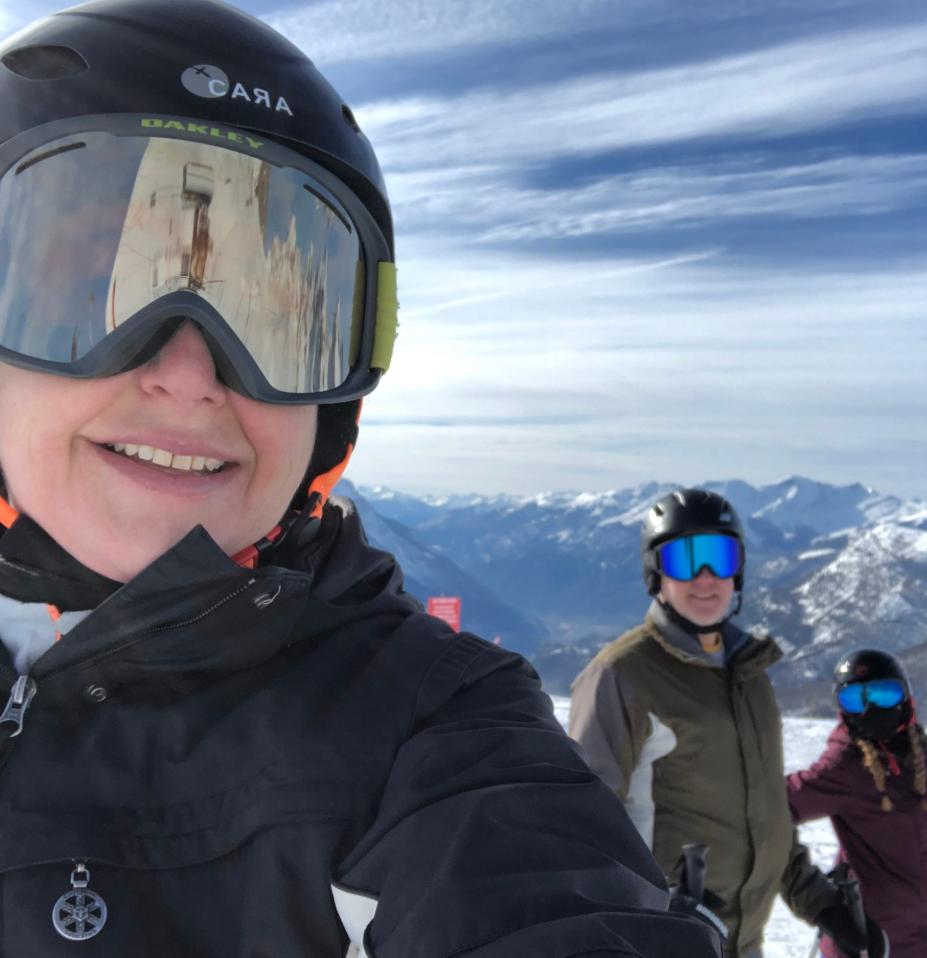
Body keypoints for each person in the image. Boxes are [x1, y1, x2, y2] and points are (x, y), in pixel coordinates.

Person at [0, 2, 727, 955]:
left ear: (335, 400)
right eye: (86, 294)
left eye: (273, 314)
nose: (186, 374)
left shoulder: (430, 723)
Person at [568, 488, 887, 958]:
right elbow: (580, 833)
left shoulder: (750, 679)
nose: (705, 577)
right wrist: (655, 910)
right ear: (656, 573)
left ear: (738, 570)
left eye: (720, 556)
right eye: (684, 558)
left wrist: (823, 905)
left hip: (741, 946)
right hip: (658, 945)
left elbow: (766, 816)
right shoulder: (620, 677)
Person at [786, 649, 927, 958]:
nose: (871, 707)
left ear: (906, 698)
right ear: (842, 709)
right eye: (855, 699)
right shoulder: (846, 766)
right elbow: (769, 806)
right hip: (868, 940)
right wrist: (809, 888)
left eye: (884, 694)